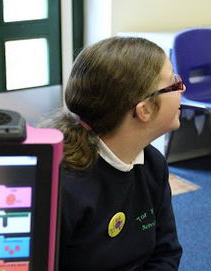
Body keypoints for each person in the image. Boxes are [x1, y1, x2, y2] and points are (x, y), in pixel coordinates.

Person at [41, 36, 184, 270]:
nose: (183, 88)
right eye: (174, 83)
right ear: (144, 110)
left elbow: (166, 252)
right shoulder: (64, 187)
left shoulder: (152, 164)